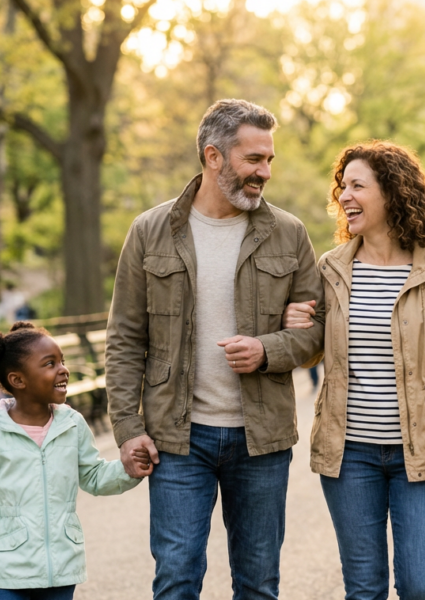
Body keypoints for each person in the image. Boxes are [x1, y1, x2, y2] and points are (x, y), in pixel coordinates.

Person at [105, 99, 325, 599]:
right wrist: (127, 428)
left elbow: (318, 335)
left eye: (269, 160)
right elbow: (124, 339)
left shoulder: (289, 234)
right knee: (177, 578)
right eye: (253, 159)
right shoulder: (149, 231)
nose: (264, 172)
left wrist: (269, 349)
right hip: (178, 440)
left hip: (261, 440)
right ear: (213, 157)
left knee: (258, 583)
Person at [282, 141, 425, 599]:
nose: (344, 196)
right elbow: (311, 351)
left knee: (420, 586)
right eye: (341, 187)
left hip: (422, 457)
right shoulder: (331, 269)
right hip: (349, 456)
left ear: (391, 193)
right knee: (364, 588)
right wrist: (296, 326)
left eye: (357, 186)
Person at [0, 322, 146, 600]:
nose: (63, 369)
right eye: (50, 364)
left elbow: (93, 475)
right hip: (10, 570)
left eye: (62, 361)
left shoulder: (72, 424)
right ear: (18, 380)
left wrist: (129, 470)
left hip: (62, 565)